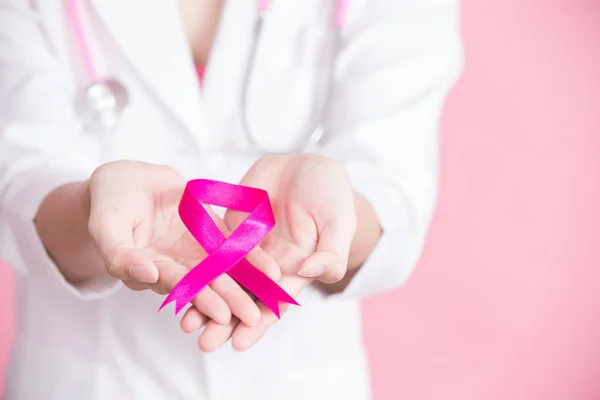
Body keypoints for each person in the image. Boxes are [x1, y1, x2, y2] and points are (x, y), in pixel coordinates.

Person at [0, 0, 463, 399]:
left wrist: (334, 215)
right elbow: (19, 171)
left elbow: (392, 184)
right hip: (90, 378)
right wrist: (90, 210)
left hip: (300, 379)